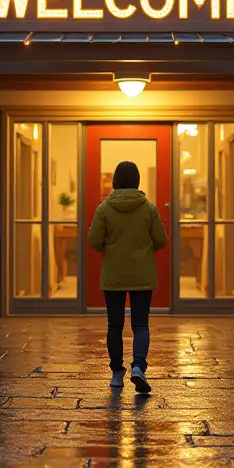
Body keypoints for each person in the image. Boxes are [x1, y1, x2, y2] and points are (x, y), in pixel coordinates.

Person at [87, 160, 167, 393]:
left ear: (115, 181)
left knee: (115, 324)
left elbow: (93, 241)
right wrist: (144, 249)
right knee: (141, 324)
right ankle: (139, 367)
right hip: (142, 274)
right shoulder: (149, 208)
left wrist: (110, 249)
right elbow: (161, 240)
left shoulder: (104, 208)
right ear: (137, 181)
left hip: (114, 275)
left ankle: (116, 374)